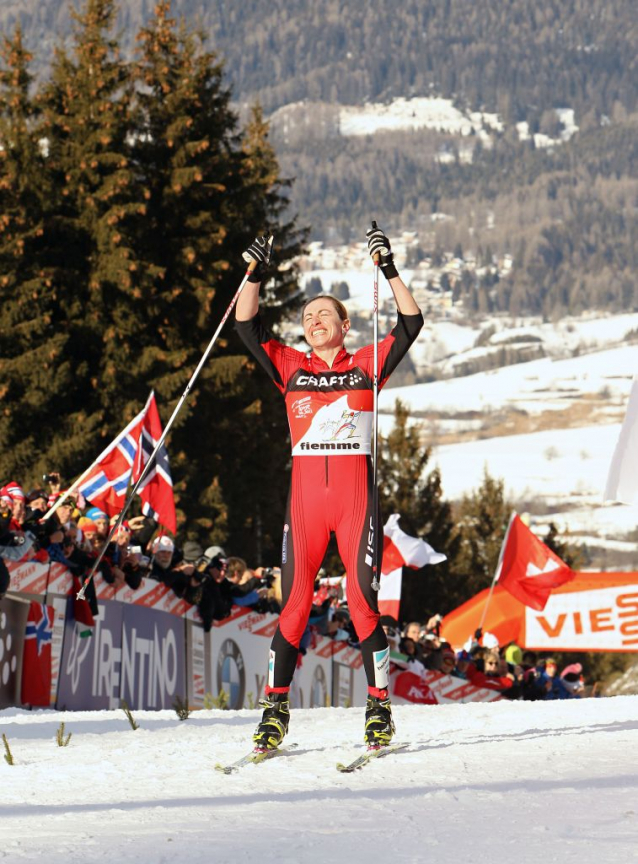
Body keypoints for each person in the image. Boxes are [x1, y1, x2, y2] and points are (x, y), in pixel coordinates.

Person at [235, 224, 423, 751]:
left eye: (325, 315)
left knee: (364, 606)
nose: (315, 321)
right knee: (294, 605)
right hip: (306, 505)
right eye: (307, 317)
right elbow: (244, 324)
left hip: (354, 503)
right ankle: (274, 711)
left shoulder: (365, 365)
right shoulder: (290, 366)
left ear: (345, 323)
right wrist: (253, 272)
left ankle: (380, 708)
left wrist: (387, 268)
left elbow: (411, 322)